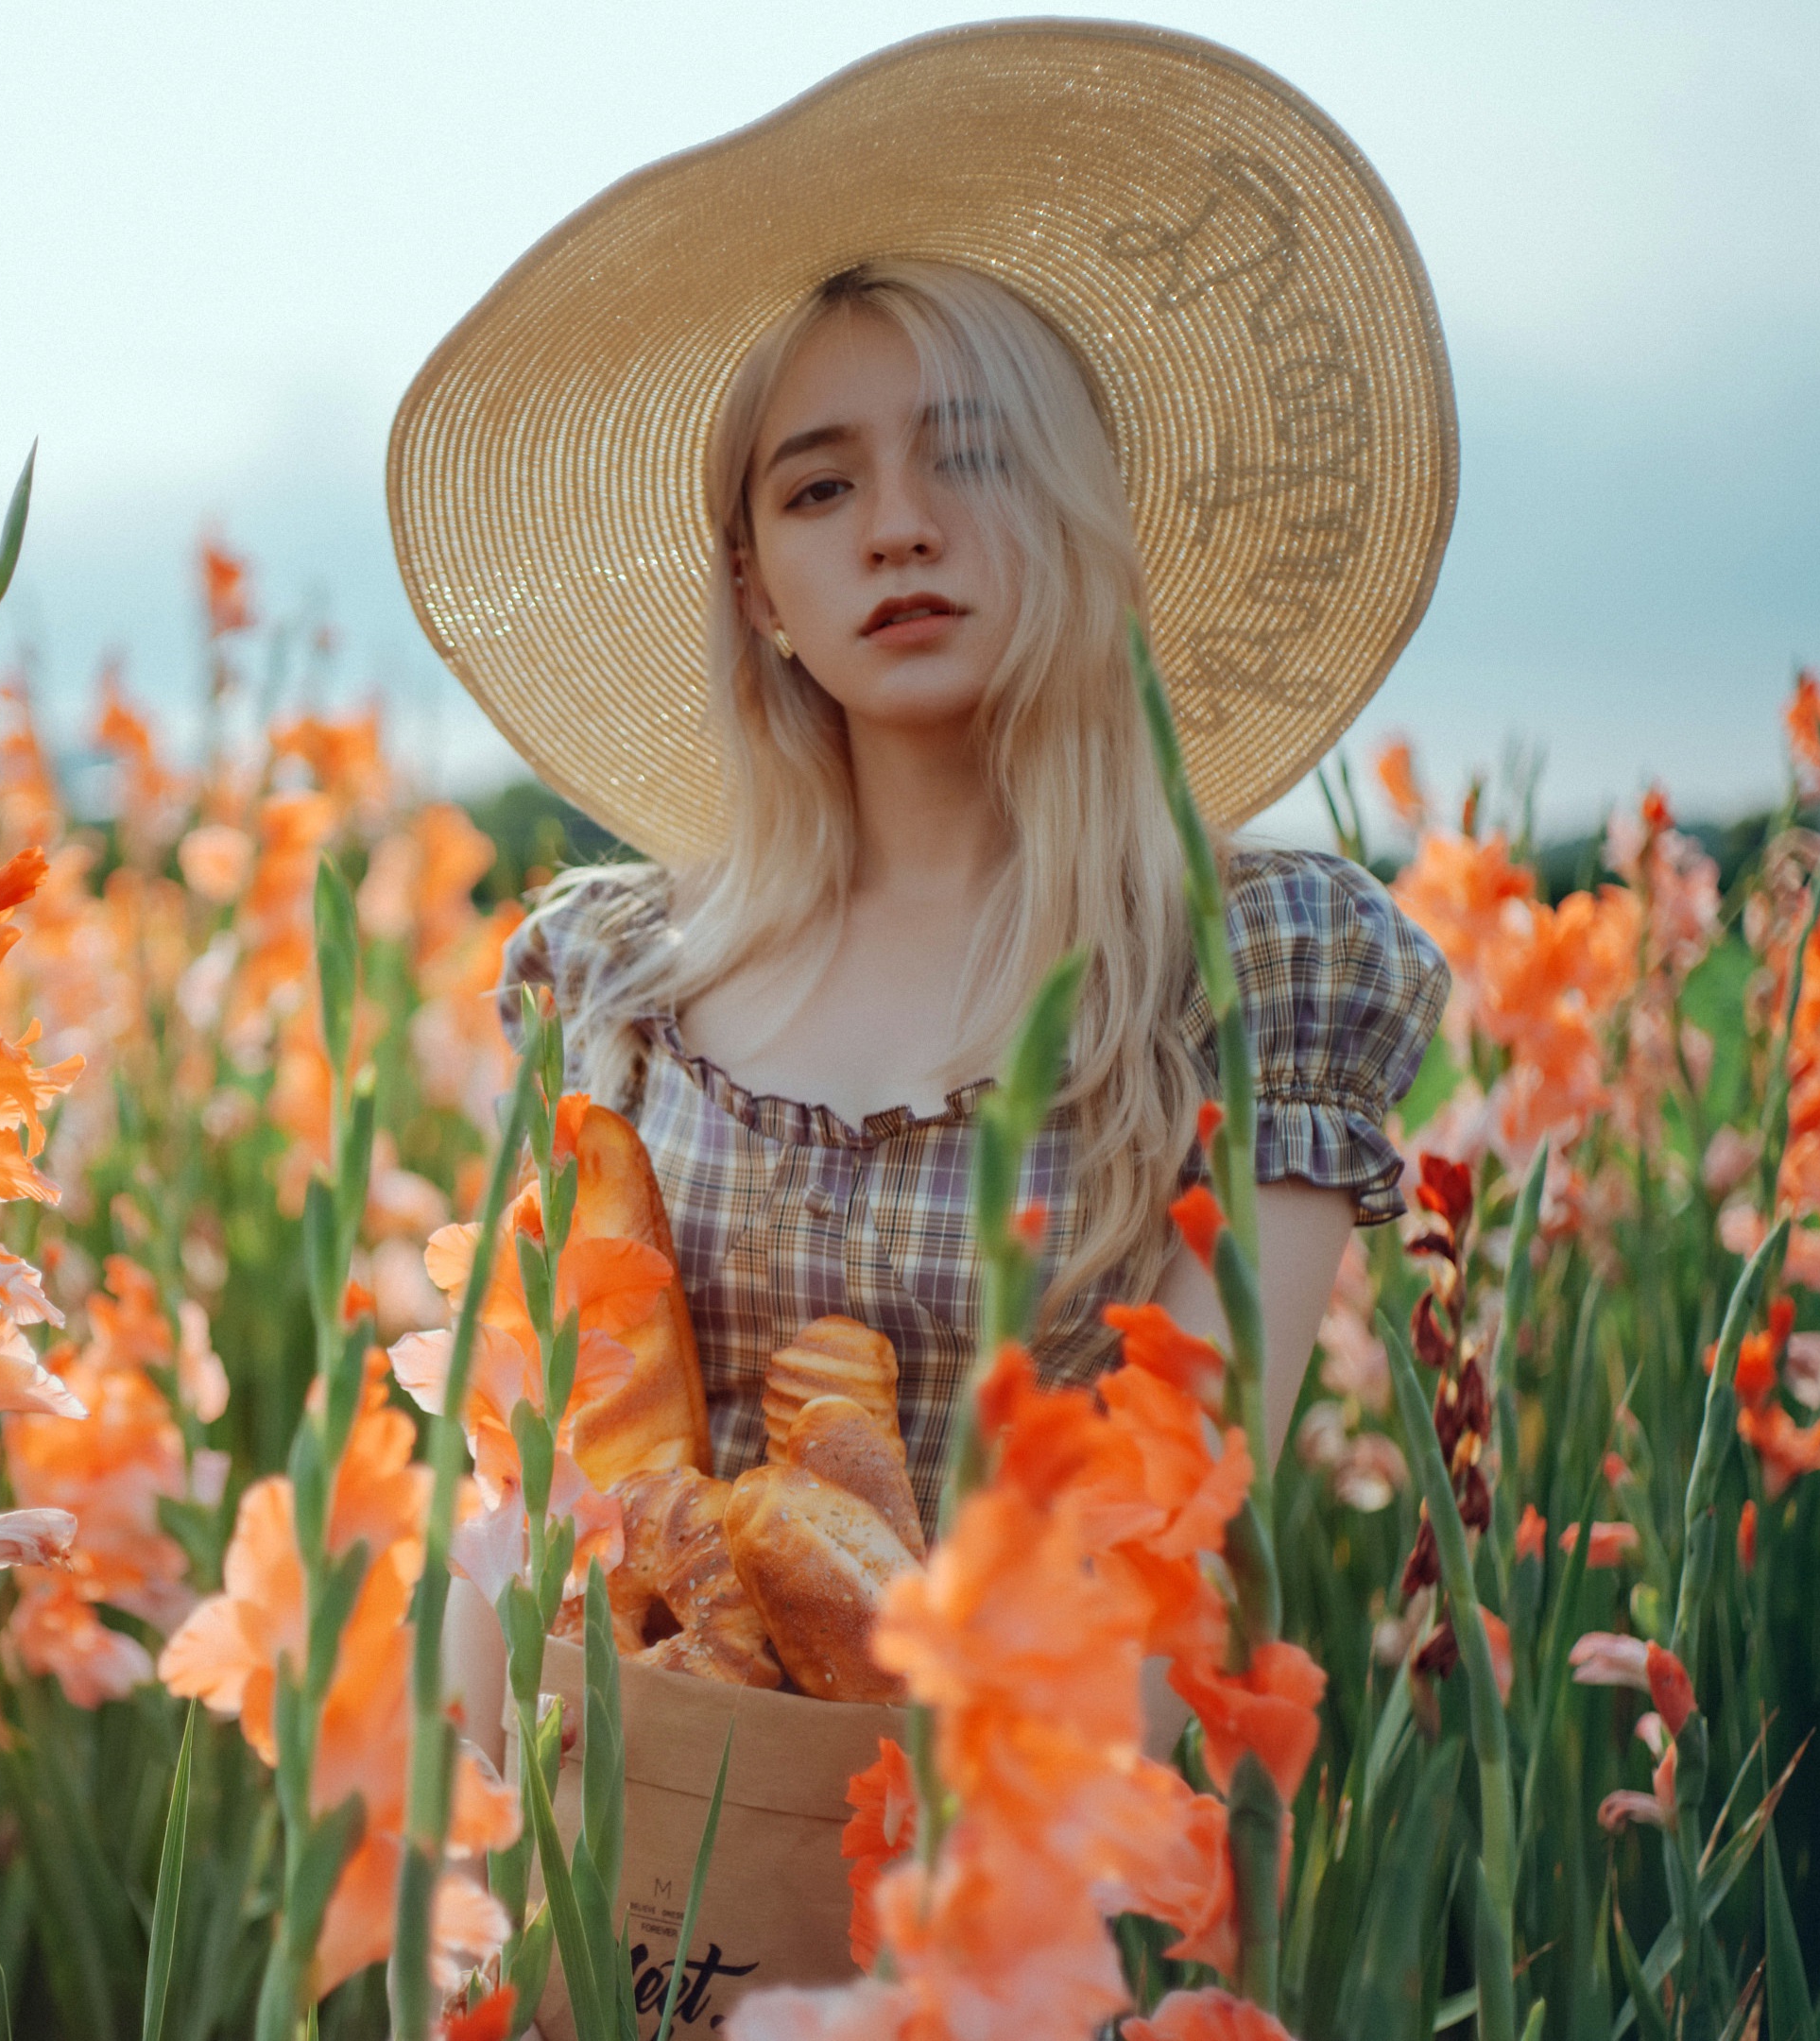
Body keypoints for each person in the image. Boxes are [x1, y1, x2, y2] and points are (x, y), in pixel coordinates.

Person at [392, 21, 1456, 1757]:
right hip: (636, 1882)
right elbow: (517, 1504)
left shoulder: (1254, 973)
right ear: (755, 586)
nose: (896, 527)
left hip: (1018, 1892)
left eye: (965, 456)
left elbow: (1165, 1552)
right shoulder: (617, 980)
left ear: (1079, 502)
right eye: (821, 487)